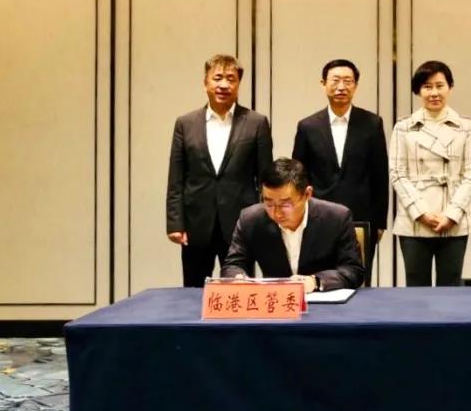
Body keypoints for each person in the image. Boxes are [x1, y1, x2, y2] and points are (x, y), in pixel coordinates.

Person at [166, 54, 273, 287]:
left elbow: (266, 179)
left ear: (238, 84)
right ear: (205, 83)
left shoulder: (256, 122)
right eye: (217, 78)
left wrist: (261, 221)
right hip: (196, 223)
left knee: (239, 290)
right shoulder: (185, 123)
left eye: (231, 79)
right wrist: (175, 223)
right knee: (193, 290)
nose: (224, 85)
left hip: (240, 223)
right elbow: (176, 177)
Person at [292, 59, 389, 284]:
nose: (341, 87)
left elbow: (380, 175)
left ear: (356, 86)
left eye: (348, 81)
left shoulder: (372, 123)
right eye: (335, 80)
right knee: (319, 278)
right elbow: (299, 176)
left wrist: (379, 222)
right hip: (318, 216)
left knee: (359, 278)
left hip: (361, 216)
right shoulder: (308, 126)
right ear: (323, 84)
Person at [390, 60, 471, 287]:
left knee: (450, 288)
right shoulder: (403, 127)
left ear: (450, 87)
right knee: (416, 288)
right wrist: (421, 212)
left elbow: (470, 175)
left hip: (454, 219)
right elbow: (397, 174)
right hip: (414, 219)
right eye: (427, 87)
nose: (434, 93)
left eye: (440, 85)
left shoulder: (467, 127)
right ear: (418, 90)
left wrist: (451, 214)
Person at [221, 158, 364, 292]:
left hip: (322, 302)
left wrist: (316, 281)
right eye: (269, 203)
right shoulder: (251, 220)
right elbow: (233, 264)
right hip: (276, 302)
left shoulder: (336, 218)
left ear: (307, 194)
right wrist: (237, 278)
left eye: (285, 205)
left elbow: (353, 270)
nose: (276, 213)